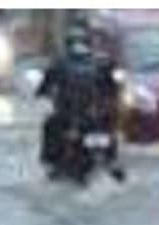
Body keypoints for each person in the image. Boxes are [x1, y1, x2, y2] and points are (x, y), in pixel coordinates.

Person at [36, 26, 123, 180]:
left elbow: (43, 88)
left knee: (49, 126)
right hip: (92, 116)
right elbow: (114, 88)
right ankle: (111, 160)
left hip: (72, 117)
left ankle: (52, 163)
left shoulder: (59, 63)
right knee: (109, 127)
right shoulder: (101, 63)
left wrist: (43, 93)